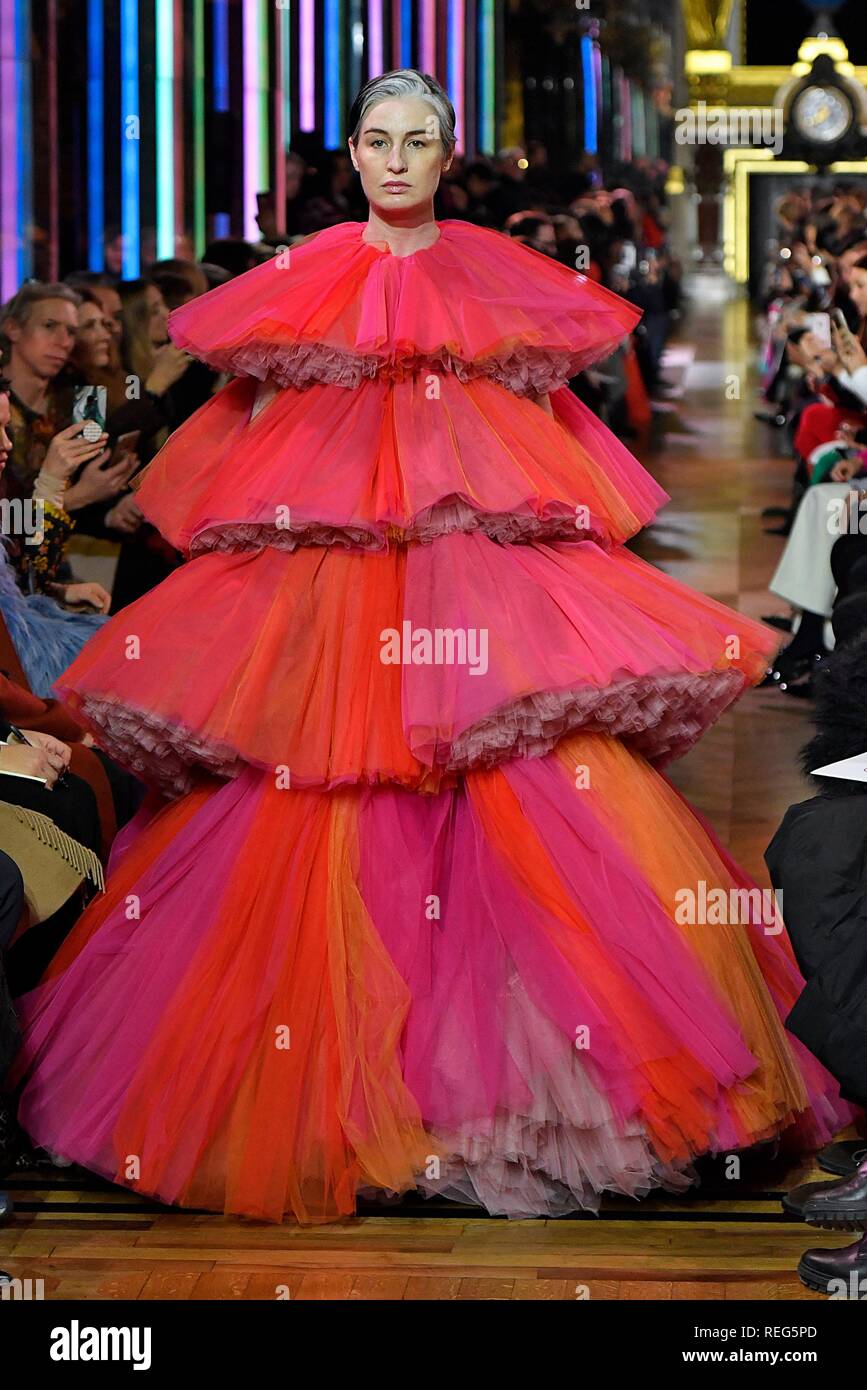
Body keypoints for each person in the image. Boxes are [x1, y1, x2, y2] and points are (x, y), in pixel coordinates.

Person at [9, 70, 849, 1225]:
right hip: (336, 606)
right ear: (351, 153)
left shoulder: (492, 285)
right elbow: (244, 459)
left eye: (417, 141)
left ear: (447, 156)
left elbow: (545, 469)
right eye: (376, 140)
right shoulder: (302, 290)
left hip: (473, 602)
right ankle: (352, 1113)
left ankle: (489, 1110)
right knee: (330, 803)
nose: (395, 160)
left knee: (506, 812)